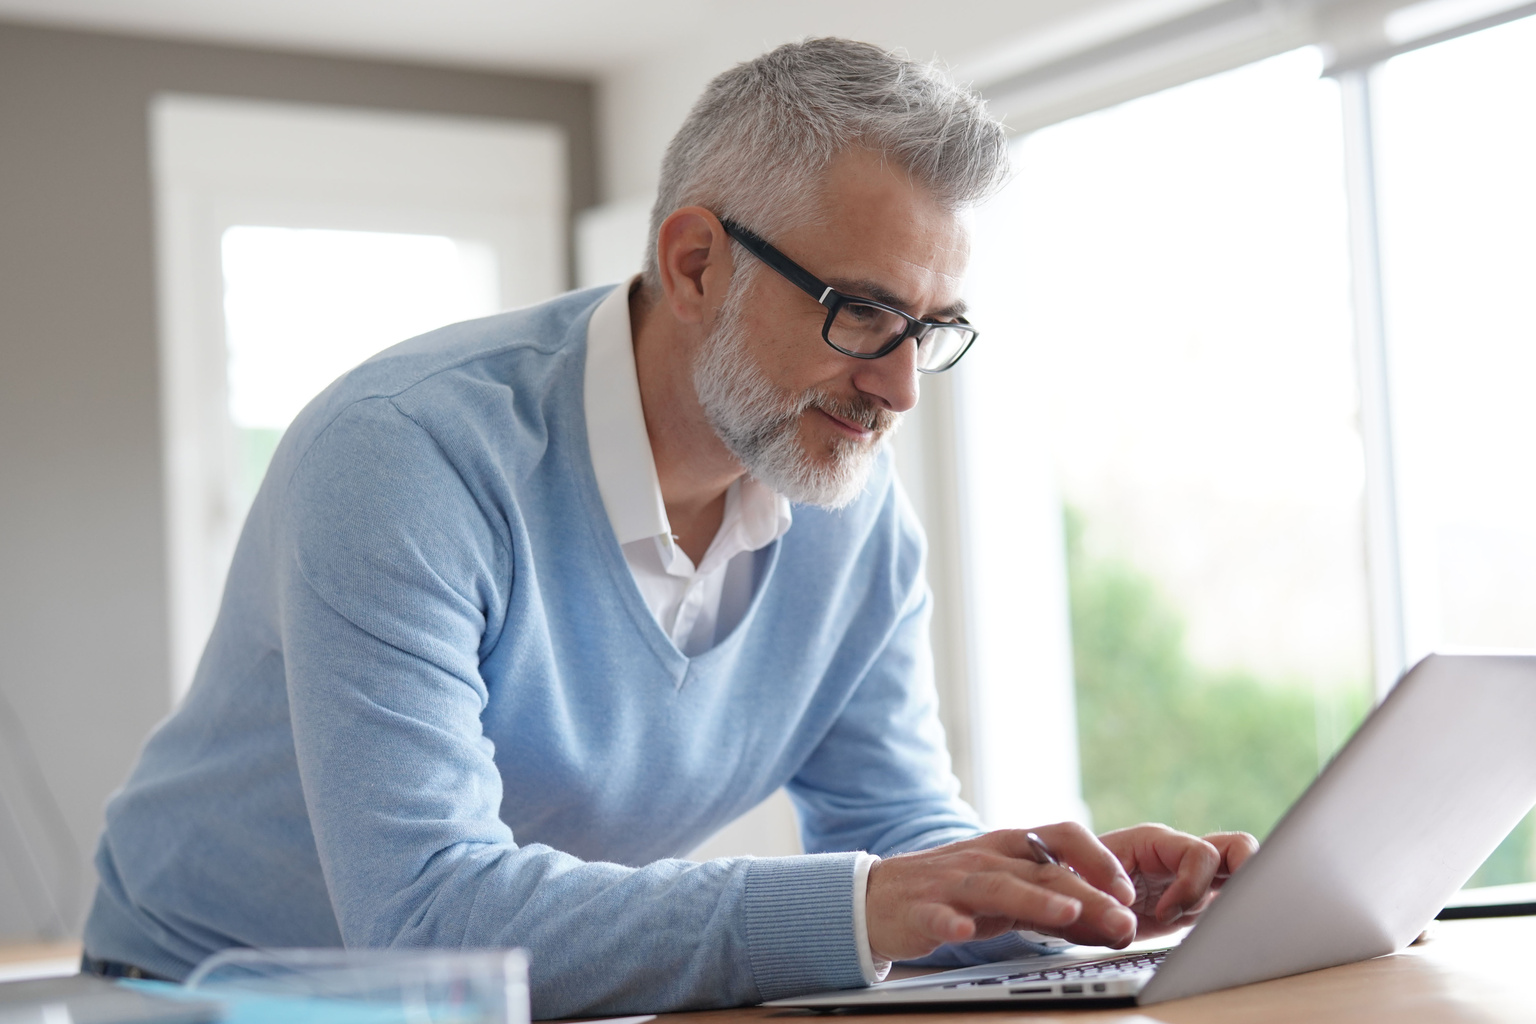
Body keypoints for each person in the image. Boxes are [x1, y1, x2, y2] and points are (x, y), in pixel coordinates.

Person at [83, 37, 1255, 1017]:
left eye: (933, 328)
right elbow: (430, 914)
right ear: (695, 263)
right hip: (213, 995)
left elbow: (896, 825)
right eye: (863, 314)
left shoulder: (844, 498)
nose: (900, 390)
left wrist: (1059, 909)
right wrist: (863, 905)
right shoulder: (406, 457)